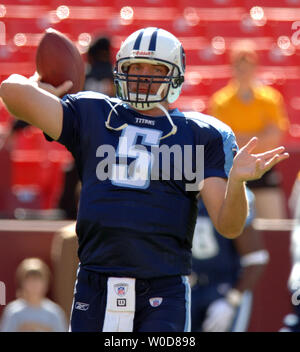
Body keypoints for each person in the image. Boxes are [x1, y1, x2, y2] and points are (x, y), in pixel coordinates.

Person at [0, 27, 289, 332]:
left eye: (155, 69)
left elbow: (229, 226)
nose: (144, 76)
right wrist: (41, 84)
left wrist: (237, 183)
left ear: (175, 76)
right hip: (94, 281)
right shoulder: (94, 113)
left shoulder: (201, 133)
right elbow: (12, 93)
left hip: (162, 288)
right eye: (135, 67)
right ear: (120, 70)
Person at [208, 40, 289, 219]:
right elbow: (224, 142)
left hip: (266, 168)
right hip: (233, 171)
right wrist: (261, 136)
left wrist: (241, 137)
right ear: (232, 67)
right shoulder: (221, 101)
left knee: (274, 226)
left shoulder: (270, 99)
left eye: (247, 65)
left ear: (255, 67)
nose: (243, 71)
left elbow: (274, 138)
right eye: (239, 65)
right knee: (234, 226)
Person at [191, 189, 269, 332]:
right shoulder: (175, 190)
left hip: (226, 287)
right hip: (190, 288)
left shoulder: (235, 195)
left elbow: (256, 259)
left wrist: (231, 300)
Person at [0, 258, 67, 332]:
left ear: (46, 283)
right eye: (30, 280)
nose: (34, 285)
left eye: (38, 280)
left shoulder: (55, 312)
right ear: (22, 283)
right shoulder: (13, 311)